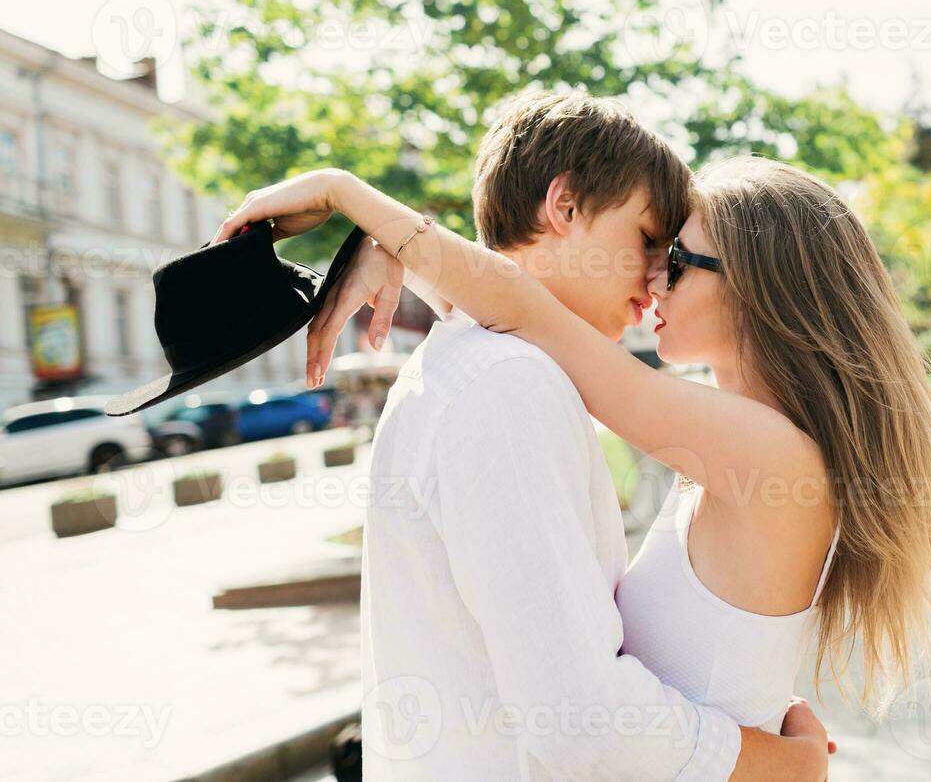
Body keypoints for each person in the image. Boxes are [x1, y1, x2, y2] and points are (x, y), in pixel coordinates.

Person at [213, 93, 832, 780]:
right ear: (564, 207)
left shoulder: (493, 366)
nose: (656, 278)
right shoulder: (506, 382)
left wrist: (373, 225)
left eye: (676, 259)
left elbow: (519, 304)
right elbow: (586, 723)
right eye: (649, 239)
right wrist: (774, 761)